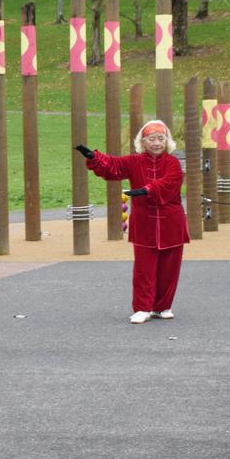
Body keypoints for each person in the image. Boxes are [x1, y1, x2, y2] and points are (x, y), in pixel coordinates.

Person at [76, 119, 190, 324]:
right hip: (144, 222)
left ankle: (162, 306)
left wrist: (147, 190)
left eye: (161, 139)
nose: (157, 143)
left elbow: (170, 182)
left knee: (169, 267)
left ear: (167, 141)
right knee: (143, 268)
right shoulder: (135, 161)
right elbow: (113, 166)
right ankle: (143, 308)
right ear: (143, 142)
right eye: (152, 139)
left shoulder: (173, 163)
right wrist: (94, 157)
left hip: (171, 222)